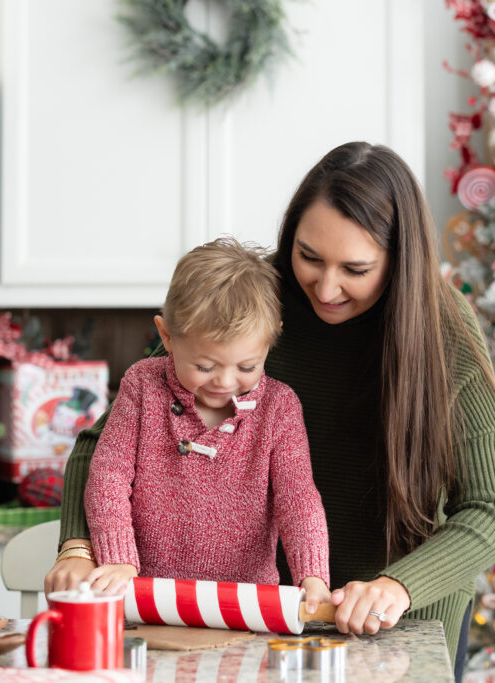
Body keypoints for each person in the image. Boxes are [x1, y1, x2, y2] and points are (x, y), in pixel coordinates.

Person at [45, 142, 495, 682]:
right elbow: (104, 445)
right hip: (270, 615)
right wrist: (78, 548)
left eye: (355, 269)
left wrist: (397, 587)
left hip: (402, 619)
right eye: (309, 257)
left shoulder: (443, 330)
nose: (326, 287)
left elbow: (490, 510)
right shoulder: (252, 300)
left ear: (399, 262)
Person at [79, 237, 331, 611]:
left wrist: (313, 576)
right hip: (148, 599)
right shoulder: (142, 385)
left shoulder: (279, 407)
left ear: (270, 340)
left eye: (246, 366)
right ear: (167, 336)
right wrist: (118, 558)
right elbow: (108, 476)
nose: (225, 382)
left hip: (245, 607)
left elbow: (298, 499)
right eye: (205, 366)